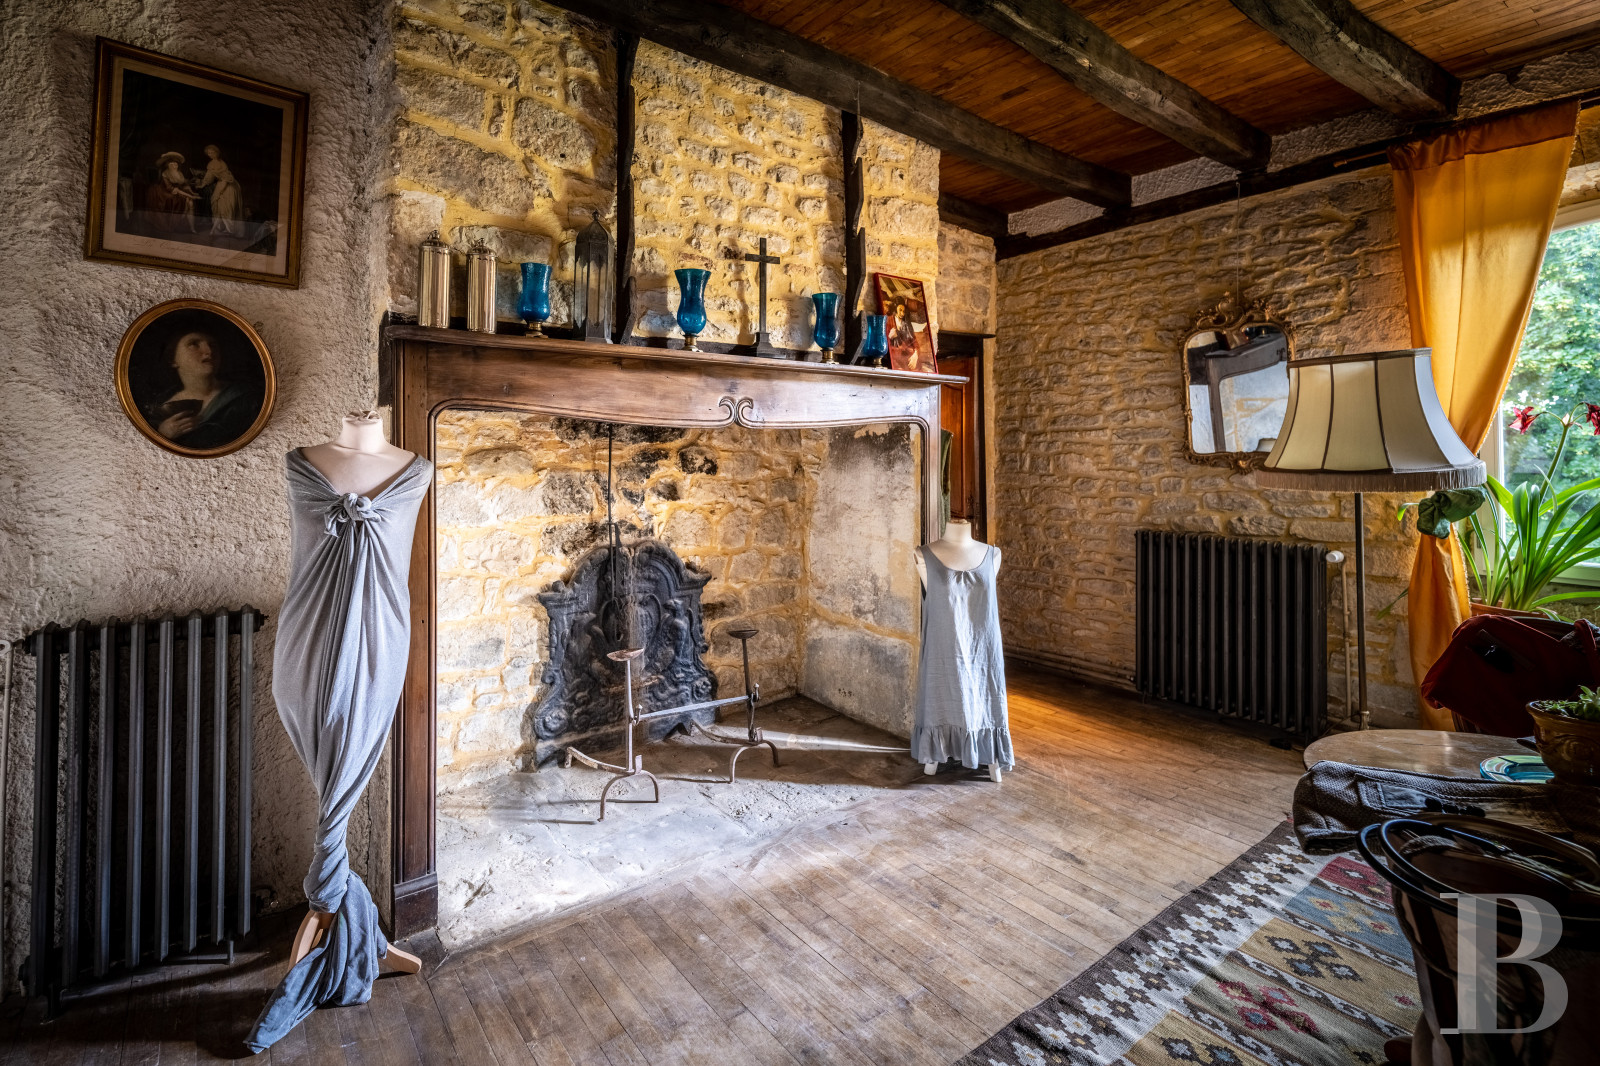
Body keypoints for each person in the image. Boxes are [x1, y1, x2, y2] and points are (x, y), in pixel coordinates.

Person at [148, 327, 262, 449]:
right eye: (194, 344)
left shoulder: (245, 398)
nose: (209, 351)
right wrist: (163, 434)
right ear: (173, 359)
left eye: (213, 345)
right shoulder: (161, 404)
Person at [143, 151, 200, 232]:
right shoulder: (165, 173)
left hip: (179, 190)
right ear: (168, 165)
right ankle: (180, 223)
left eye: (176, 163)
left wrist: (192, 193)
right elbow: (171, 189)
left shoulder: (179, 173)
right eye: (172, 163)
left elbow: (184, 185)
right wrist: (191, 196)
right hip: (166, 192)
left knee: (190, 203)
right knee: (183, 200)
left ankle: (192, 228)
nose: (175, 165)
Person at [198, 144, 244, 237]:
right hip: (221, 184)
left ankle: (229, 230)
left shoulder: (222, 164)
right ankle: (220, 229)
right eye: (209, 153)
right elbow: (208, 177)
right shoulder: (211, 164)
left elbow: (226, 179)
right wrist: (202, 185)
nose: (211, 154)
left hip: (229, 186)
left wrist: (219, 192)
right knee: (218, 207)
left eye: (212, 152)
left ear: (217, 152)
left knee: (226, 208)